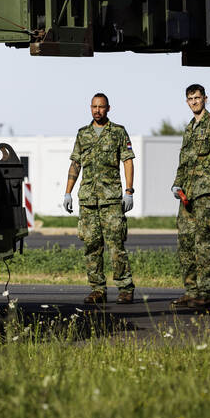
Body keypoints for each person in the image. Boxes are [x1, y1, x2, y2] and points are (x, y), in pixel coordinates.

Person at [63, 92, 136, 305]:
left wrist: (129, 191)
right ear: (90, 108)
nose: (97, 110)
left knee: (116, 245)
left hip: (111, 200)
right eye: (94, 107)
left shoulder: (118, 132)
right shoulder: (83, 134)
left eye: (101, 107)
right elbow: (75, 164)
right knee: (91, 246)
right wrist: (67, 191)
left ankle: (125, 288)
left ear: (108, 108)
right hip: (88, 200)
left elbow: (128, 161)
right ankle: (97, 289)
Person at [170, 82, 210, 310]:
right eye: (191, 99)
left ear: (205, 98)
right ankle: (191, 290)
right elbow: (183, 162)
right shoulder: (189, 129)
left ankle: (206, 293)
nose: (195, 102)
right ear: (187, 102)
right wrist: (177, 185)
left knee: (204, 243)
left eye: (198, 97)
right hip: (188, 194)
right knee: (185, 243)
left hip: (207, 193)